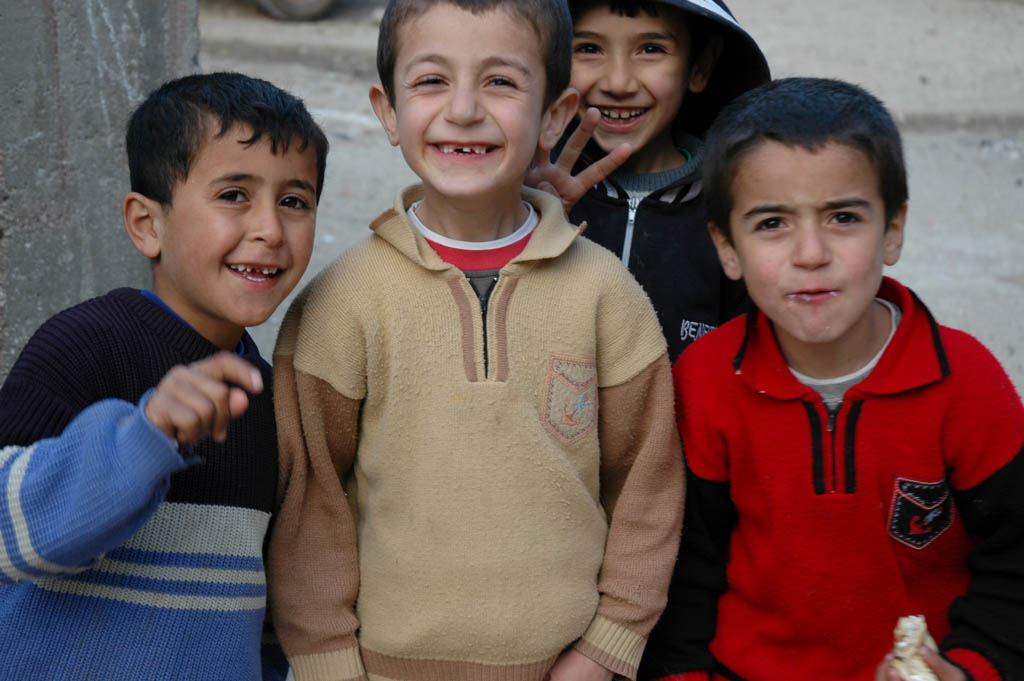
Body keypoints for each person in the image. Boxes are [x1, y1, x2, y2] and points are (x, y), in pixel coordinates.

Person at [266, 2, 685, 681]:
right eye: (432, 81)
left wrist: (607, 646)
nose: (463, 110)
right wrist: (328, 663)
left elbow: (648, 489)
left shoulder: (607, 295)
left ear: (554, 117)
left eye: (500, 82)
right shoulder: (341, 302)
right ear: (388, 111)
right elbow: (309, 503)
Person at [640, 77, 1024, 681]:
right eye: (773, 223)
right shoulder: (706, 383)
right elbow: (685, 575)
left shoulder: (966, 383)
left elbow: (1014, 566)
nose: (811, 253)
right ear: (727, 248)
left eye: (843, 217)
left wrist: (971, 671)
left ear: (893, 229)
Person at [0, 71, 329, 681]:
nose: (269, 229)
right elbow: (6, 532)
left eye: (294, 201)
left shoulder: (271, 396)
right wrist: (143, 437)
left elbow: (265, 623)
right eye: (234, 194)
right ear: (147, 225)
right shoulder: (85, 346)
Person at [555, 0, 769, 362]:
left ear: (699, 66)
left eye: (651, 49)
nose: (618, 83)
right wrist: (528, 220)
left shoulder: (735, 208)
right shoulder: (528, 192)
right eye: (589, 48)